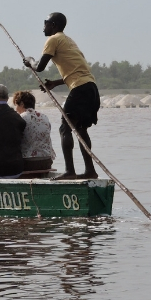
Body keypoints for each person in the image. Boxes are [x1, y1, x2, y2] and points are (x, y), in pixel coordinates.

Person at [23, 12, 100, 180]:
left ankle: (70, 171)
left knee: (65, 128)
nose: (43, 26)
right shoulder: (69, 41)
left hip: (80, 89)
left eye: (46, 22)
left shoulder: (53, 39)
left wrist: (30, 61)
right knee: (80, 129)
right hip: (91, 88)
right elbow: (77, 71)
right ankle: (90, 171)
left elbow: (40, 67)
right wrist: (55, 83)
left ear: (54, 25)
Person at [12, 91, 55, 172]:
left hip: (29, 162)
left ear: (21, 104)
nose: (16, 109)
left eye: (16, 105)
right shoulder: (44, 117)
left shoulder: (20, 118)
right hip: (47, 160)